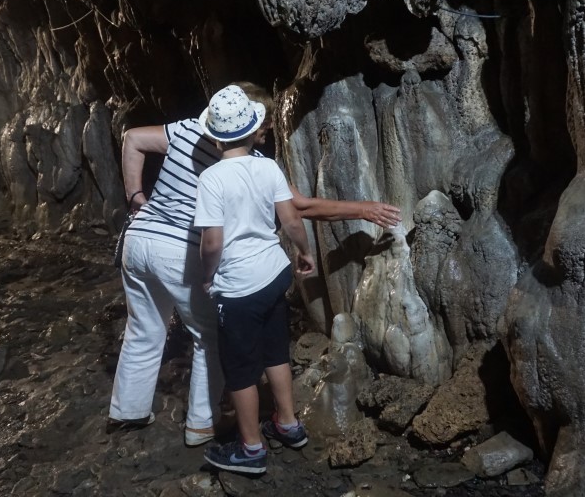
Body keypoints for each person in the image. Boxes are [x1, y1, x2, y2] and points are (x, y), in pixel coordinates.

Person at [108, 82, 400, 448]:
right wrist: (362, 209)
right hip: (179, 249)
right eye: (265, 123)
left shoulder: (185, 129)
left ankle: (129, 410)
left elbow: (133, 138)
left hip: (138, 240)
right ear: (250, 123)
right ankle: (202, 424)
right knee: (210, 336)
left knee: (143, 327)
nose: (269, 131)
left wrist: (136, 196)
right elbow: (298, 209)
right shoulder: (252, 165)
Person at [194, 84, 314, 473]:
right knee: (276, 351)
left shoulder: (211, 179)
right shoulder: (268, 166)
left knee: (241, 370)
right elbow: (291, 220)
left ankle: (250, 449)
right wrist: (305, 252)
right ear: (252, 130)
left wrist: (207, 276)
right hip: (275, 274)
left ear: (215, 137)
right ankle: (289, 424)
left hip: (239, 288)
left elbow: (212, 242)